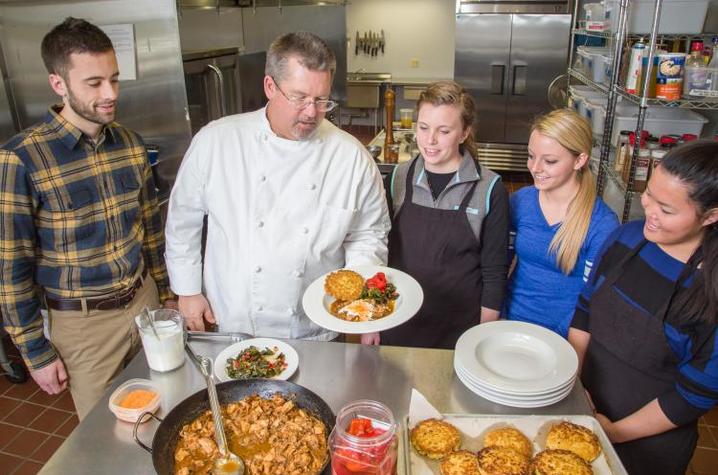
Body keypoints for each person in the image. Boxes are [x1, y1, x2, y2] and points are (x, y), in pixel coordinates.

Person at [164, 32, 389, 341]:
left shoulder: (351, 157)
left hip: (314, 330)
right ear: (270, 86)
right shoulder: (216, 141)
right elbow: (182, 220)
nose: (312, 112)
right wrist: (187, 291)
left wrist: (363, 305)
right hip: (233, 323)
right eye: (299, 98)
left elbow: (368, 235)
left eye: (321, 100)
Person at [0, 18, 172, 420]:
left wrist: (166, 295)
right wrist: (35, 351)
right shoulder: (20, 159)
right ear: (58, 84)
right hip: (84, 325)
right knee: (109, 431)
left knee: (167, 409)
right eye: (94, 83)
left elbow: (150, 231)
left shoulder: (129, 143)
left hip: (145, 303)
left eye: (114, 79)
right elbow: (10, 269)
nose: (110, 94)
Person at [568, 140, 718, 475]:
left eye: (666, 210)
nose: (649, 211)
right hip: (583, 409)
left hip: (649, 444)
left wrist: (613, 432)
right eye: (649, 195)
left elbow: (695, 395)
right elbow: (585, 310)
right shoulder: (626, 238)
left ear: (711, 215)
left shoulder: (710, 290)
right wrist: (574, 387)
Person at [377, 80, 509, 349]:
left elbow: (495, 271)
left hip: (458, 330)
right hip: (399, 321)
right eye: (423, 128)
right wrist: (374, 321)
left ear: (464, 133)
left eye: (444, 130)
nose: (430, 140)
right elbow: (381, 252)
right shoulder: (398, 178)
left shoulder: (489, 188)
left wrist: (482, 338)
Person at [504, 109, 618, 337]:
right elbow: (501, 264)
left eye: (550, 161)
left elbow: (591, 301)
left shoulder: (602, 224)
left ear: (580, 160)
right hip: (510, 324)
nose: (535, 168)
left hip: (562, 336)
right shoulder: (521, 202)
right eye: (530, 156)